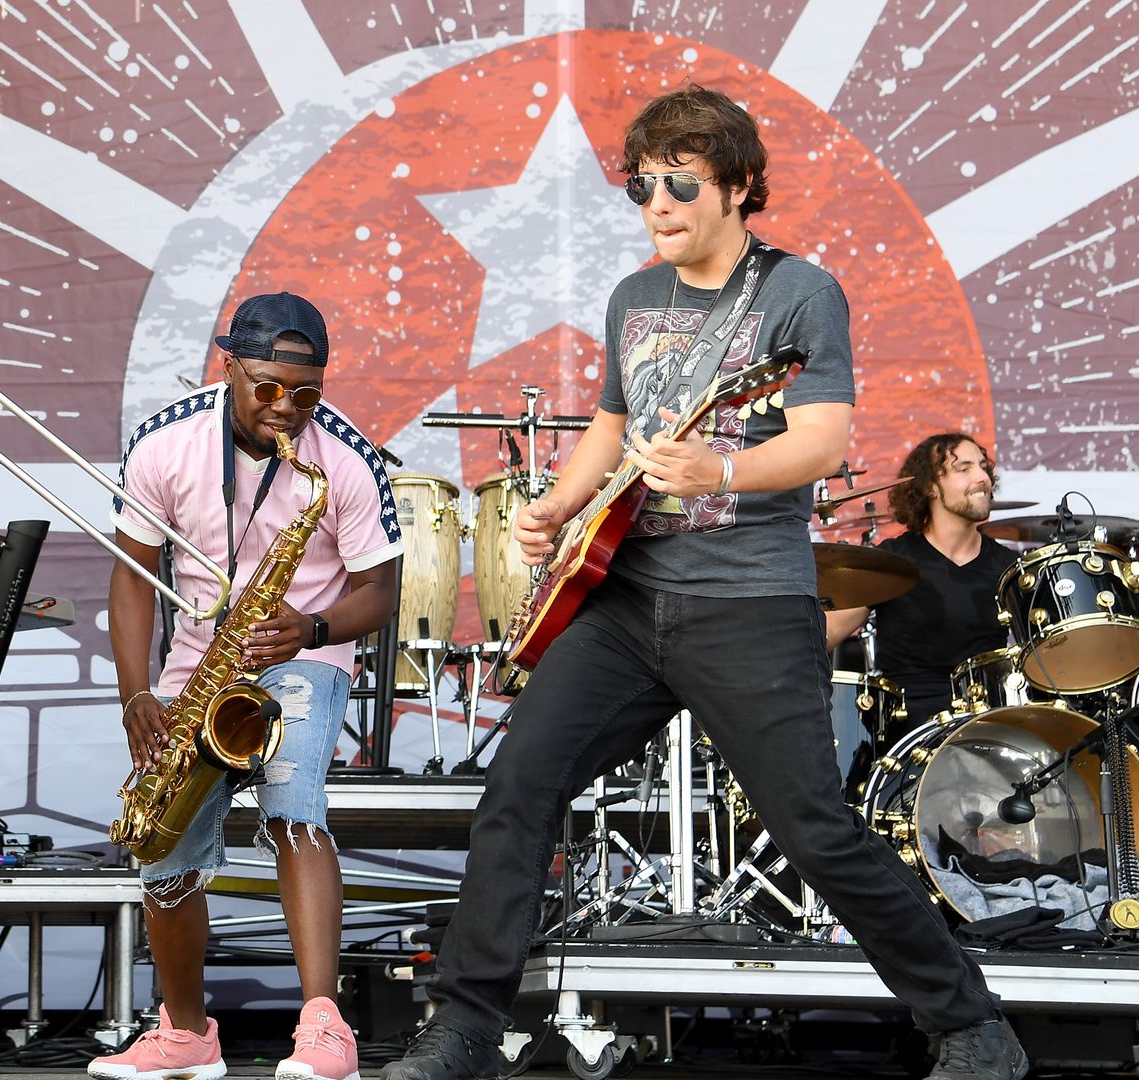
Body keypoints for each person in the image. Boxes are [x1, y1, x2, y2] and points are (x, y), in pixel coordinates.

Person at [381, 87, 1026, 1080]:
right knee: (518, 782)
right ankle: (464, 1026)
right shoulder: (634, 300)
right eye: (642, 186)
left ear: (734, 186)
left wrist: (719, 470)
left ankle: (971, 1026)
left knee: (814, 829)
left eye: (680, 184)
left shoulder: (801, 292)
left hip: (750, 604)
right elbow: (611, 418)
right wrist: (560, 504)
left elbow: (822, 436)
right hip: (628, 601)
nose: (658, 204)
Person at [90, 292, 402, 1080]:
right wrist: (137, 693)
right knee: (161, 843)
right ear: (227, 368)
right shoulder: (164, 445)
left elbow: (380, 590)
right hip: (199, 661)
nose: (286, 408)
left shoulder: (347, 459)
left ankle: (324, 1027)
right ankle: (186, 1034)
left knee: (293, 803)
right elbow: (130, 582)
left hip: (303, 651)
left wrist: (314, 629)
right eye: (267, 387)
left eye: (306, 393)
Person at [825, 434, 1019, 720]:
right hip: (909, 733)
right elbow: (821, 636)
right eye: (963, 469)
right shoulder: (893, 561)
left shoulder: (1009, 567)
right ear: (931, 487)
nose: (982, 478)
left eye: (983, 467)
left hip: (987, 723)